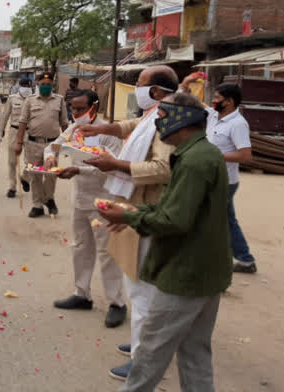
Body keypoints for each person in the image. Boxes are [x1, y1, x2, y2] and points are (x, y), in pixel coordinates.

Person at [97, 92, 232, 392]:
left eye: (161, 119)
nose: (157, 128)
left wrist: (131, 218)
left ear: (180, 119)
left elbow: (175, 221)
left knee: (149, 355)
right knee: (194, 353)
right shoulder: (200, 154)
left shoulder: (195, 161)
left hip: (186, 272)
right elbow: (177, 209)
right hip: (205, 272)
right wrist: (133, 212)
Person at [78, 65, 177, 381]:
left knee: (142, 289)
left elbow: (163, 168)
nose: (136, 88)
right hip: (140, 206)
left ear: (158, 92)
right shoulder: (154, 115)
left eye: (141, 84)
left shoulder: (167, 119)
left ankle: (144, 361)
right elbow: (130, 126)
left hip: (150, 209)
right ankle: (141, 346)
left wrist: (115, 164)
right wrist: (100, 131)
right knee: (139, 284)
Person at [44, 90, 127, 328]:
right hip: (80, 198)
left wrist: (79, 170)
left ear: (94, 107)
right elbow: (54, 147)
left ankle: (117, 302)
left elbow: (113, 166)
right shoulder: (73, 129)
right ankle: (82, 294)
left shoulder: (108, 132)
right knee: (80, 246)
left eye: (81, 109)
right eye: (73, 108)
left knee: (107, 251)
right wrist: (51, 157)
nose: (76, 113)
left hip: (103, 199)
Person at [181, 78, 257, 274]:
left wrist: (214, 156)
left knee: (215, 219)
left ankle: (226, 261)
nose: (213, 100)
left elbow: (246, 156)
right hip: (209, 177)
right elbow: (190, 104)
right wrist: (185, 85)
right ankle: (244, 259)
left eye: (217, 97)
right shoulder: (214, 114)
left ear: (229, 101)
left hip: (225, 181)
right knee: (224, 219)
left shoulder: (238, 124)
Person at [14, 72, 69, 218]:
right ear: (38, 84)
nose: (46, 86)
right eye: (43, 84)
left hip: (54, 143)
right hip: (33, 142)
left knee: (52, 174)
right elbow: (22, 122)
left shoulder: (59, 100)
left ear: (52, 85)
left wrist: (69, 144)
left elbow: (64, 123)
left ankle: (49, 199)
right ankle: (37, 205)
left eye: (48, 84)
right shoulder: (30, 101)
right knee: (35, 175)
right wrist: (19, 143)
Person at [0, 78, 33, 198]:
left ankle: (25, 178)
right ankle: (12, 187)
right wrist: (1, 131)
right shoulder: (12, 98)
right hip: (15, 131)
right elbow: (5, 116)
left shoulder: (35, 99)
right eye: (23, 85)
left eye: (27, 85)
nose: (25, 87)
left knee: (31, 161)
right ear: (19, 86)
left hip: (31, 133)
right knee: (12, 161)